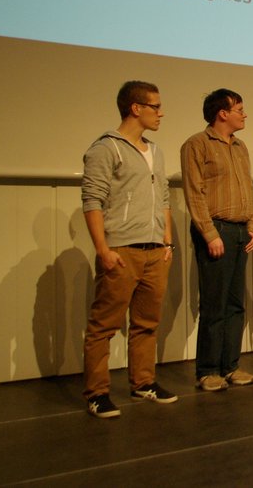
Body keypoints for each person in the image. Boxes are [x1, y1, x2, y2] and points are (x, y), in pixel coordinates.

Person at [80, 80, 177, 418]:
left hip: (155, 251)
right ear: (136, 108)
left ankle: (143, 382)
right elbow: (92, 200)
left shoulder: (156, 151)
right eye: (156, 106)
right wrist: (103, 249)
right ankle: (97, 393)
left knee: (147, 323)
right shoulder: (106, 148)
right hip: (122, 249)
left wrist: (167, 241)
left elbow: (163, 198)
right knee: (104, 325)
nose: (161, 113)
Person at [181, 89, 253, 391]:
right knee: (214, 303)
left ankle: (231, 366)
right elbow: (194, 192)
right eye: (240, 109)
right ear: (222, 113)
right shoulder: (196, 144)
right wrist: (209, 233)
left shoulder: (240, 147)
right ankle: (208, 370)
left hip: (240, 231)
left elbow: (247, 189)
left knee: (235, 303)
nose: (244, 114)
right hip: (216, 229)